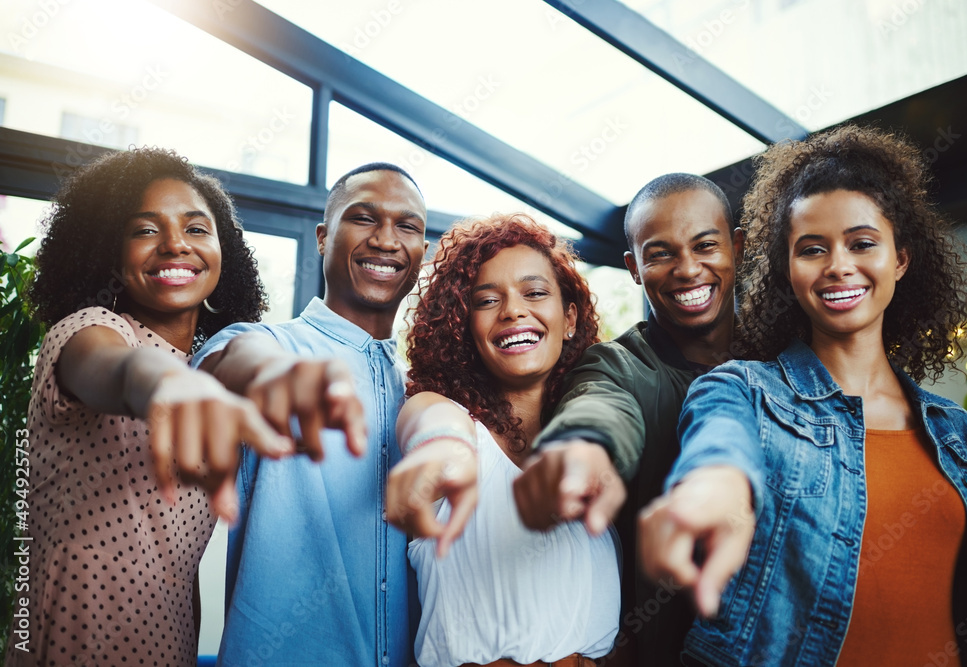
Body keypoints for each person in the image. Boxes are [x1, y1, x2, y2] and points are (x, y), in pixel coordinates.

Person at [640, 125, 967, 666]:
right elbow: (720, 444)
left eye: (862, 243)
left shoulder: (957, 430)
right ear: (788, 269)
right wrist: (715, 488)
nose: (838, 265)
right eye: (812, 249)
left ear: (899, 259)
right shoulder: (743, 390)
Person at [7, 147, 293, 667]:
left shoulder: (208, 370)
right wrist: (159, 384)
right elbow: (119, 372)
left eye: (196, 229)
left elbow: (182, 565)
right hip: (75, 644)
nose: (175, 245)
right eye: (144, 230)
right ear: (108, 253)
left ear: (223, 250)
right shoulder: (90, 331)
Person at [191, 162, 427, 666]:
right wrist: (276, 375)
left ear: (422, 253)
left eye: (407, 226)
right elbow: (219, 370)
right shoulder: (263, 344)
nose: (387, 240)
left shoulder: (422, 392)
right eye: (364, 218)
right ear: (323, 237)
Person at [513, 174, 744, 664]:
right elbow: (598, 405)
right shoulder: (618, 366)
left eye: (705, 245)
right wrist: (583, 447)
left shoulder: (786, 360)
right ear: (634, 268)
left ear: (737, 248)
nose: (687, 269)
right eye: (660, 253)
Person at [386, 213, 617, 667]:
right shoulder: (446, 415)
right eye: (487, 300)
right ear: (464, 328)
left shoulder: (596, 437)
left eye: (534, 293)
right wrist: (443, 453)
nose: (513, 310)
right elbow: (429, 425)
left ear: (568, 318)